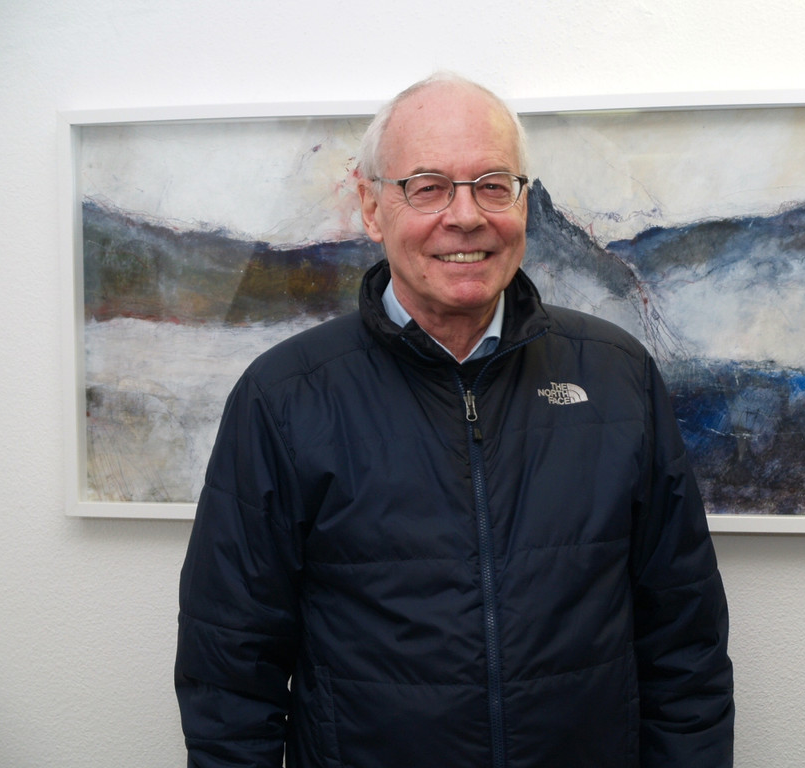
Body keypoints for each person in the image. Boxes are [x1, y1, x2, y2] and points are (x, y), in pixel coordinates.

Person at [175, 72, 734, 768]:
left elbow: (685, 648)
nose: (466, 216)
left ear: (524, 202)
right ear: (372, 207)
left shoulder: (617, 377)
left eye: (493, 185)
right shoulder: (284, 398)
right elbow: (230, 674)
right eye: (428, 186)